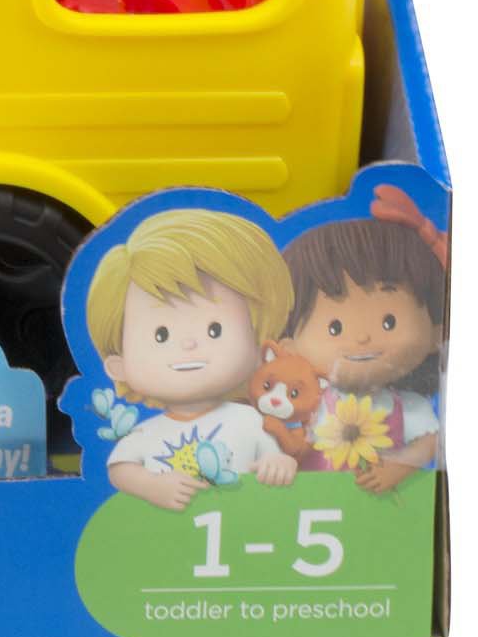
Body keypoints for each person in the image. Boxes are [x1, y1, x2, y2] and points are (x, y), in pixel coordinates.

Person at [85, 207, 300, 510]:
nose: (188, 344)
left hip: (241, 529)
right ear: (118, 366)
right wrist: (152, 486)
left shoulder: (250, 421)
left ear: (259, 347)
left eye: (215, 329)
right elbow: (120, 471)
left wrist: (279, 465)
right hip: (169, 534)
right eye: (161, 335)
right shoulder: (145, 433)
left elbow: (275, 457)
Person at [283, 202, 447, 492]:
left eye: (388, 322)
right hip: (309, 506)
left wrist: (401, 464)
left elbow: (432, 440)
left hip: (381, 509)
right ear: (289, 345)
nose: (361, 338)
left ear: (436, 330)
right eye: (335, 327)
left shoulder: (404, 406)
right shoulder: (307, 404)